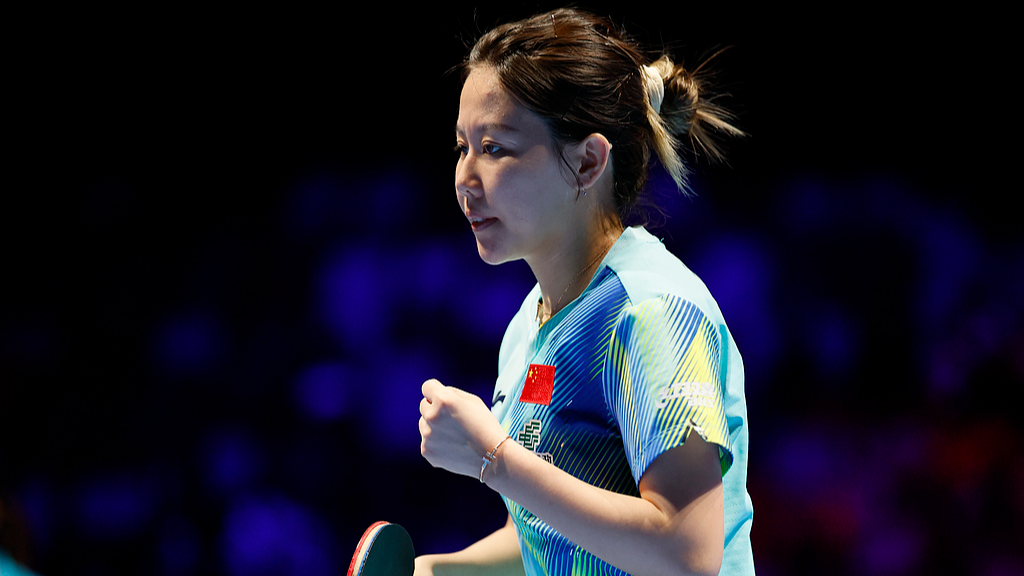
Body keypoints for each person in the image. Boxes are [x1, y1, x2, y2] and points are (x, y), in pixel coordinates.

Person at [417, 8, 753, 576]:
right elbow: (549, 532)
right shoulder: (529, 327)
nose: (463, 179)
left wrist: (493, 460)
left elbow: (687, 554)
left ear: (588, 161)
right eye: (461, 147)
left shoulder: (651, 314)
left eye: (495, 148)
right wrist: (445, 571)